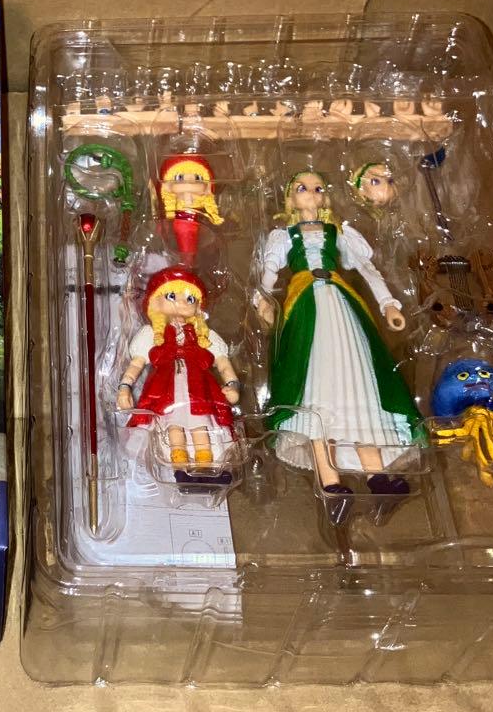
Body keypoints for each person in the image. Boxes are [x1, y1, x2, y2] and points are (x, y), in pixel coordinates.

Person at [255, 170, 422, 511]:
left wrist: (388, 303)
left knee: (358, 384)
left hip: (341, 303)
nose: (311, 193)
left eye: (317, 187)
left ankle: (378, 477)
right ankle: (331, 485)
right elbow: (269, 271)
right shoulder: (284, 235)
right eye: (302, 187)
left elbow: (366, 269)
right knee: (316, 389)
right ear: (290, 199)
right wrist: (261, 300)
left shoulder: (338, 232)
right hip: (305, 307)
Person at [116, 266, 239, 482]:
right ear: (155, 302)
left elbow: (223, 363)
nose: (182, 302)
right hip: (165, 391)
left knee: (201, 426)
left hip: (199, 389)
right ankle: (181, 471)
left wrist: (232, 384)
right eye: (172, 296)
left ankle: (207, 468)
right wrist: (124, 388)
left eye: (190, 298)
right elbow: (136, 365)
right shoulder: (152, 334)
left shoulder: (204, 335)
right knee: (173, 427)